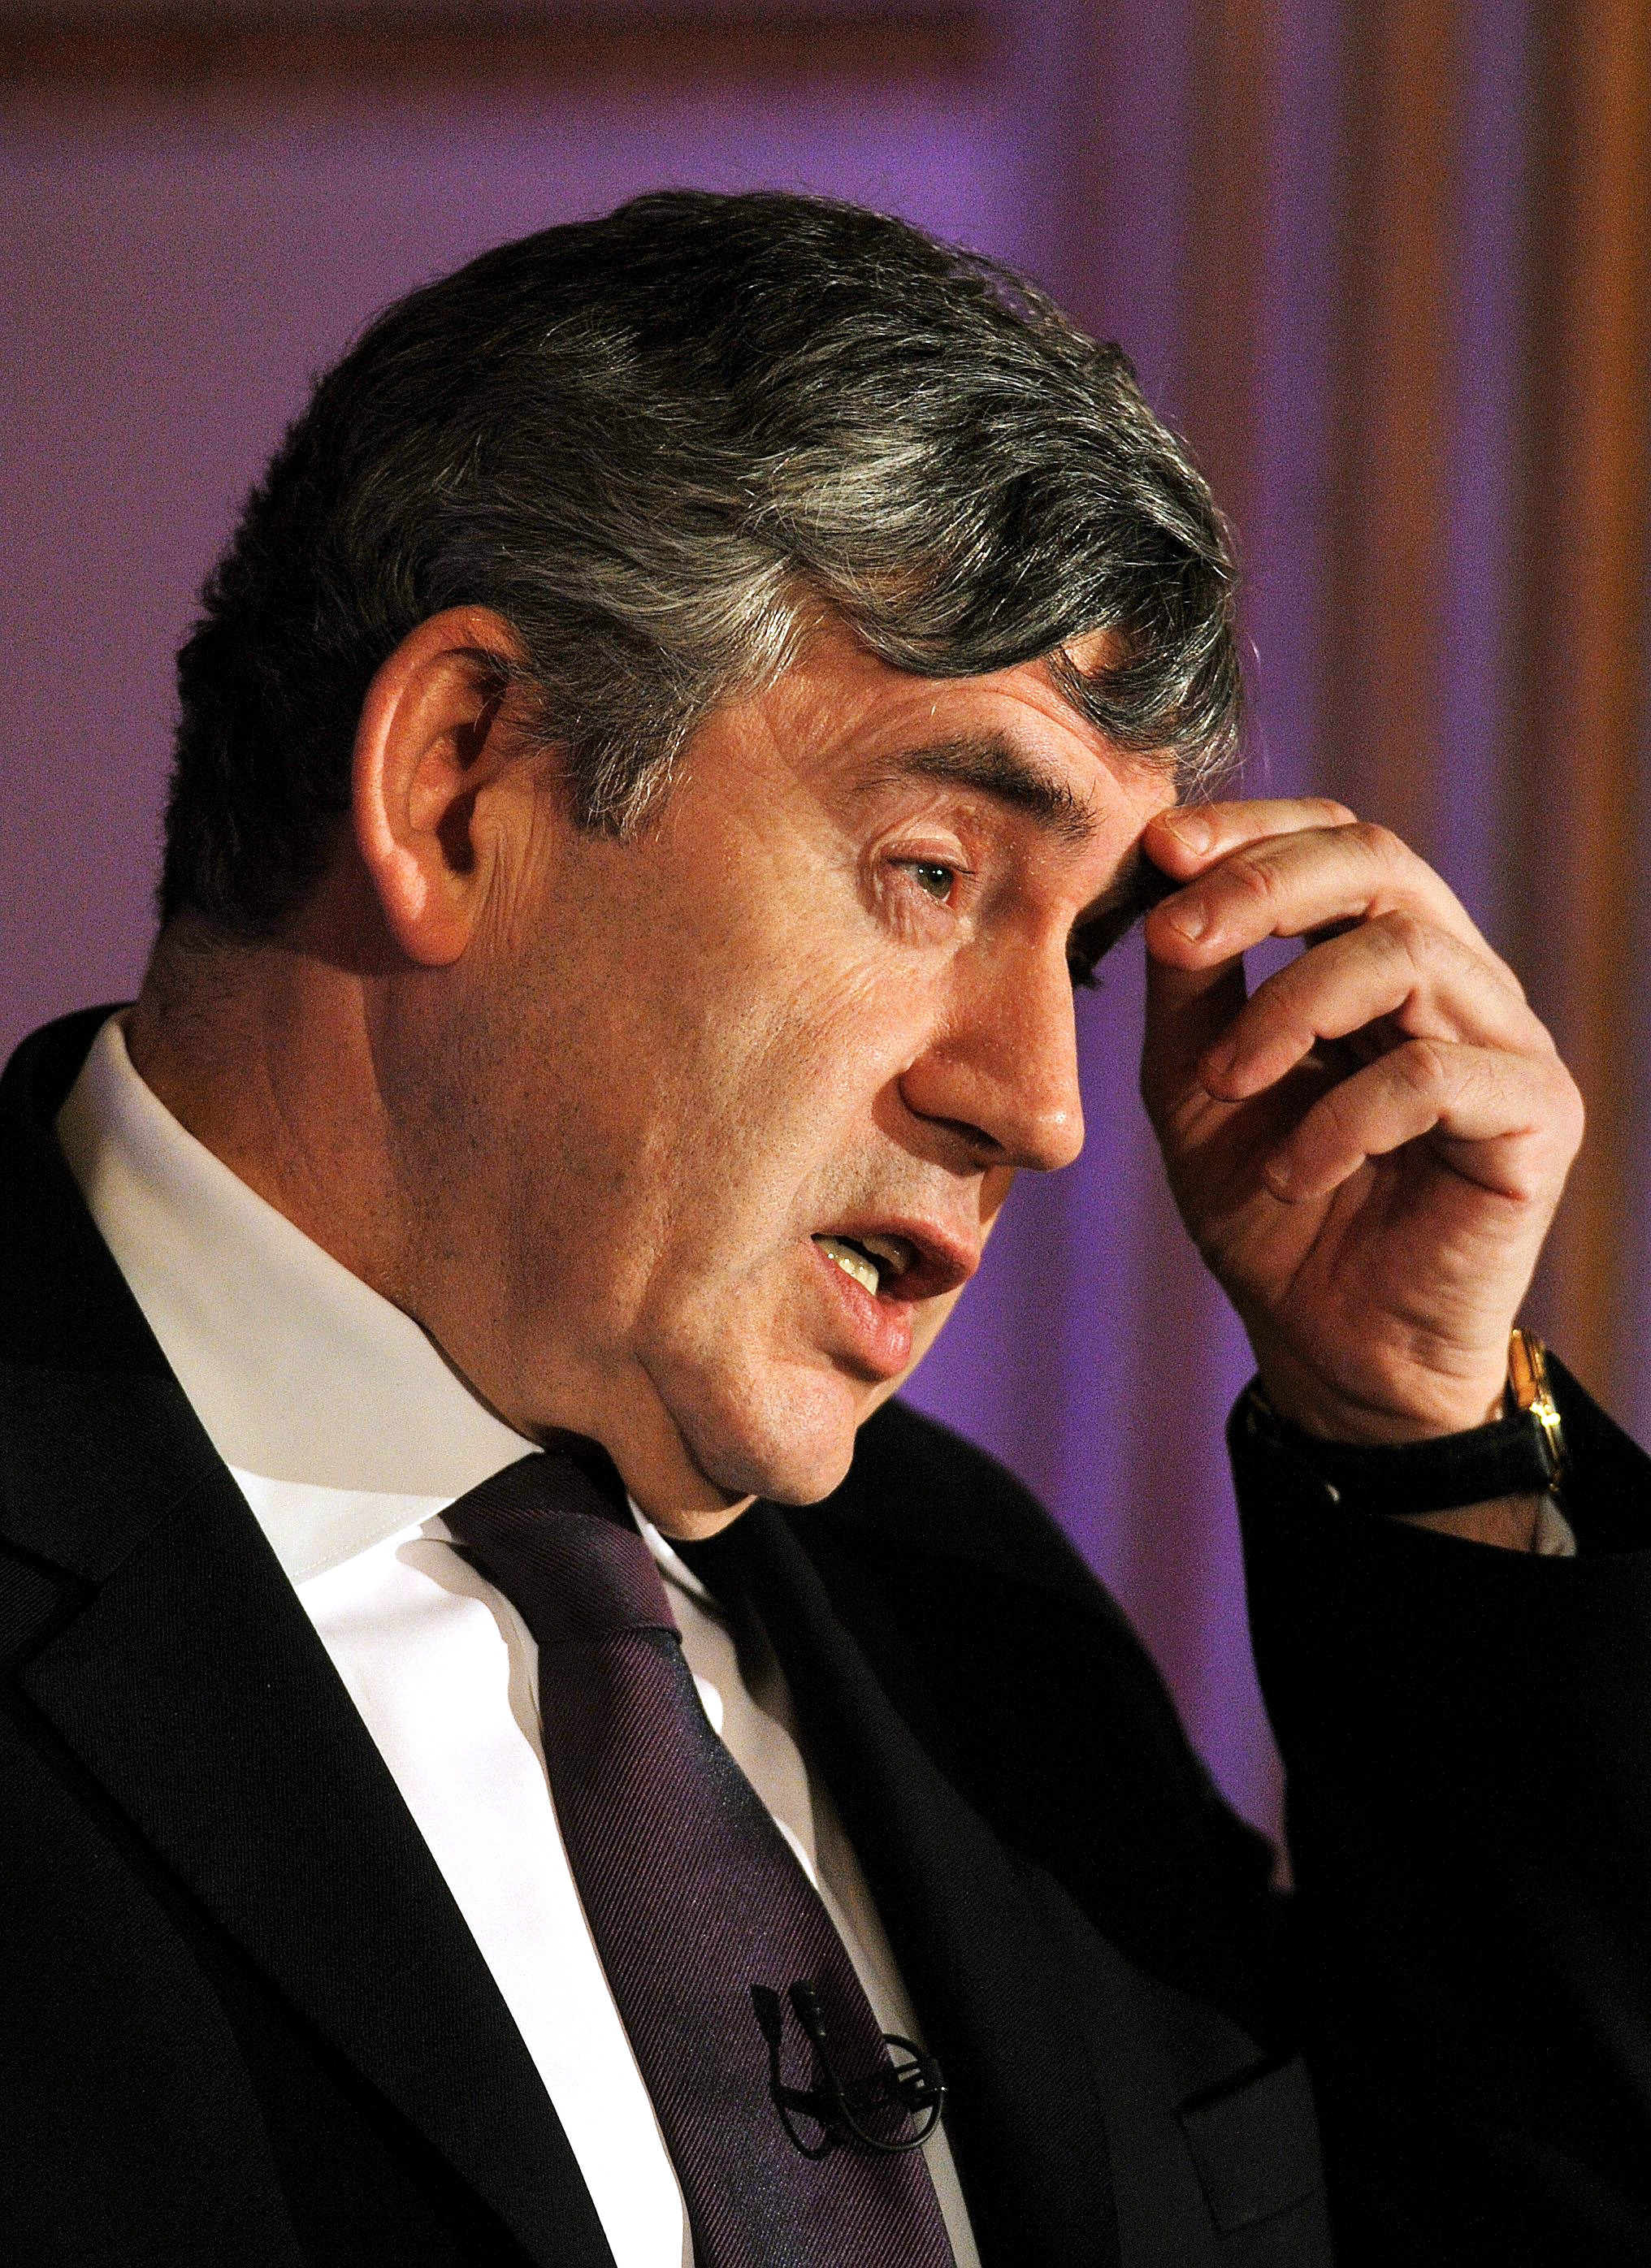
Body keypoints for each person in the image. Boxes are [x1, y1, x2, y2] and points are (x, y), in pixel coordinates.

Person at [2, 188, 1644, 2268]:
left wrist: (1419, 1443)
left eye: (1084, 955)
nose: (1043, 1106)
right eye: (932, 874)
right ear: (458, 781)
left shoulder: (980, 1631)